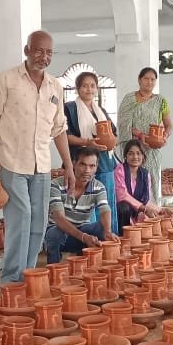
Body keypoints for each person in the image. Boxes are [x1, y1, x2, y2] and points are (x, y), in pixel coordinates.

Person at [0, 31, 74, 283]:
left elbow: (59, 129)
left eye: (49, 53)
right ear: (27, 50)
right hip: (11, 162)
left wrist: (68, 165)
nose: (44, 57)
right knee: (20, 218)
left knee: (38, 223)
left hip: (41, 165)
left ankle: (28, 277)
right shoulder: (6, 79)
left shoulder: (55, 86)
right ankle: (11, 281)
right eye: (39, 51)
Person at [63, 71, 119, 232]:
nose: (89, 89)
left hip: (104, 163)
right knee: (87, 202)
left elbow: (113, 133)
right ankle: (90, 239)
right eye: (85, 86)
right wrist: (88, 142)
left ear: (97, 89)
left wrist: (111, 142)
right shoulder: (69, 108)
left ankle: (109, 237)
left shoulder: (100, 110)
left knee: (106, 202)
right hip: (82, 163)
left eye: (92, 86)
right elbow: (65, 136)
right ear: (78, 88)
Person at [44, 147, 118, 263]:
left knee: (102, 228)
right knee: (55, 233)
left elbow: (105, 210)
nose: (87, 170)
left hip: (82, 230)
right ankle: (54, 267)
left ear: (96, 167)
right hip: (61, 233)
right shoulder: (56, 185)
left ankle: (87, 263)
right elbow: (59, 218)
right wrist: (83, 237)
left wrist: (108, 231)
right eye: (83, 165)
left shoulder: (98, 187)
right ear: (74, 164)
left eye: (92, 166)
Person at [117, 67, 172, 201]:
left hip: (152, 149)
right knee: (132, 179)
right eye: (146, 79)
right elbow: (123, 124)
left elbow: (169, 125)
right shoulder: (129, 99)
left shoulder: (161, 101)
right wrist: (140, 135)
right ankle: (133, 208)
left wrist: (164, 136)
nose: (149, 82)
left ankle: (152, 208)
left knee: (151, 180)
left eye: (152, 79)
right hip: (133, 148)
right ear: (139, 80)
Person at [113, 140, 173, 228]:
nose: (135, 157)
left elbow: (146, 200)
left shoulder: (145, 174)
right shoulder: (120, 170)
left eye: (138, 153)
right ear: (125, 156)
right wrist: (144, 208)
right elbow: (122, 195)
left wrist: (161, 210)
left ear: (142, 156)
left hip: (137, 212)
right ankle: (123, 234)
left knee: (152, 218)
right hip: (122, 213)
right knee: (124, 207)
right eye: (131, 154)